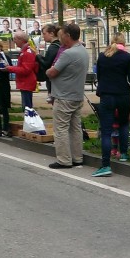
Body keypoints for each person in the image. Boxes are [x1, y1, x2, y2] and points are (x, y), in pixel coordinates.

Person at [92, 33, 130, 177]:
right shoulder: (127, 57)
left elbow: (99, 77)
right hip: (123, 95)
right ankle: (123, 153)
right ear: (123, 43)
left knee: (106, 131)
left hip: (107, 95)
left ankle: (105, 165)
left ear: (111, 42)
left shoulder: (102, 56)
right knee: (124, 123)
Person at [46, 22, 88, 169]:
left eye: (61, 34)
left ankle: (64, 159)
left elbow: (52, 72)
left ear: (68, 36)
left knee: (61, 128)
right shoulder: (83, 50)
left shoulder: (68, 53)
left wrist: (48, 70)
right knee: (75, 128)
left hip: (64, 96)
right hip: (77, 95)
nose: (60, 37)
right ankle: (77, 157)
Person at [3, 32, 39, 108]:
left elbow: (26, 70)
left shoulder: (27, 52)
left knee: (27, 107)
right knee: (26, 106)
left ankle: (30, 119)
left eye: (15, 39)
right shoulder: (25, 51)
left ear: (21, 40)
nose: (14, 41)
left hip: (26, 83)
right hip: (25, 83)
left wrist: (10, 68)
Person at [40, 23, 62, 103]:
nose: (43, 36)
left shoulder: (53, 47)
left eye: (44, 33)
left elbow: (46, 63)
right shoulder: (60, 45)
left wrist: (37, 56)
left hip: (53, 81)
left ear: (52, 34)